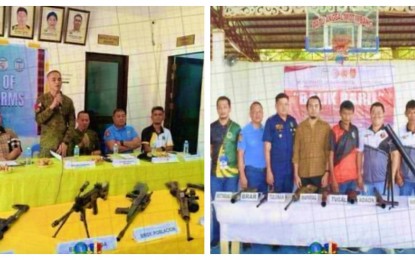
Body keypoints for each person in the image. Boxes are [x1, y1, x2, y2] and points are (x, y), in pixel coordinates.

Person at [210, 96, 240, 247]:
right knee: (216, 206)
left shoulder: (236, 128)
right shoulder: (211, 127)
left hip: (231, 175)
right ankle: (216, 236)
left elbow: (240, 151)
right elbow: (210, 150)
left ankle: (229, 237)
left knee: (229, 206)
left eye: (225, 107)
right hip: (215, 175)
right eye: (219, 107)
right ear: (217, 109)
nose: (222, 110)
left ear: (229, 108)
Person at [360, 102, 400, 196]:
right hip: (367, 182)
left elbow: (395, 155)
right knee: (365, 210)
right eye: (373, 112)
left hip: (383, 182)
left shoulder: (390, 134)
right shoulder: (364, 133)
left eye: (379, 112)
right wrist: (359, 175)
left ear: (383, 114)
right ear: (370, 114)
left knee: (383, 210)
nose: (376, 115)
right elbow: (359, 155)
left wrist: (392, 176)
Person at [293, 96, 331, 192]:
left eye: (316, 106)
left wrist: (327, 173)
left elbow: (328, 152)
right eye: (310, 106)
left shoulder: (326, 127)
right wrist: (296, 175)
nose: (313, 109)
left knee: (319, 205)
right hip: (303, 174)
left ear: (320, 108)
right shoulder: (300, 127)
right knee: (303, 205)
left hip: (320, 174)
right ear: (307, 108)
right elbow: (296, 152)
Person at [35, 70, 75, 158]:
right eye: (53, 80)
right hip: (47, 145)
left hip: (64, 146)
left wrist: (65, 142)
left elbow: (72, 124)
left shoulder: (68, 101)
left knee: (66, 170)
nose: (57, 82)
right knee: (46, 170)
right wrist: (52, 106)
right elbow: (38, 120)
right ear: (48, 82)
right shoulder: (41, 99)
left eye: (59, 79)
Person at [263, 93, 297, 193]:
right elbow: (266, 148)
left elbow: (297, 145)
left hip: (290, 169)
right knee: (276, 200)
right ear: (276, 106)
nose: (284, 107)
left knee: (288, 195)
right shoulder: (270, 122)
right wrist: (269, 170)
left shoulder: (292, 121)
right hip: (276, 169)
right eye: (281, 104)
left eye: (286, 104)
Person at [329, 100, 362, 194]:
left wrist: (359, 175)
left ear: (353, 114)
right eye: (345, 113)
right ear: (340, 113)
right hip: (339, 179)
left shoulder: (355, 130)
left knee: (352, 208)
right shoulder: (334, 131)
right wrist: (333, 179)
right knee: (338, 208)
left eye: (350, 114)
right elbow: (330, 156)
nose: (347, 117)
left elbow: (357, 154)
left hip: (353, 178)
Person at [237, 101, 267, 193]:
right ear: (250, 114)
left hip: (265, 173)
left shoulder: (266, 130)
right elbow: (240, 154)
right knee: (251, 204)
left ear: (263, 114)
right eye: (254, 112)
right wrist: (242, 176)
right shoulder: (244, 131)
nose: (257, 114)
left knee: (264, 203)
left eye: (259, 112)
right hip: (251, 173)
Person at [399, 100, 415, 196]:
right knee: (403, 210)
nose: (412, 115)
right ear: (405, 113)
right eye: (410, 112)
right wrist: (397, 173)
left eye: (414, 112)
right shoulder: (400, 132)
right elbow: (396, 155)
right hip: (405, 180)